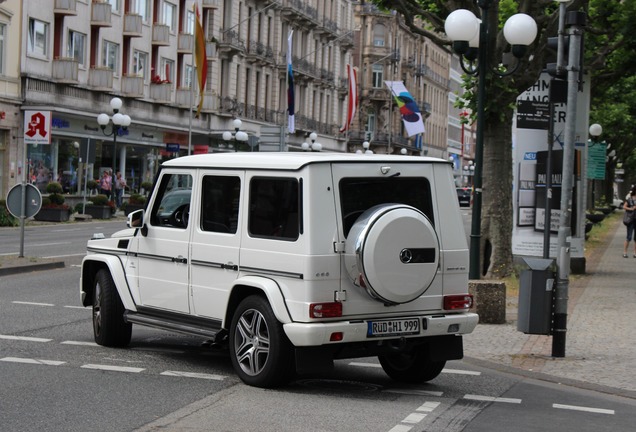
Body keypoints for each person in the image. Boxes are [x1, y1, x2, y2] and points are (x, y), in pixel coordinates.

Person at [623, 188, 636, 258]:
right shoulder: (630, 199)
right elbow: (624, 206)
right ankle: (625, 252)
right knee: (629, 237)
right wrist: (631, 208)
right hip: (631, 220)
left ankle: (635, 253)